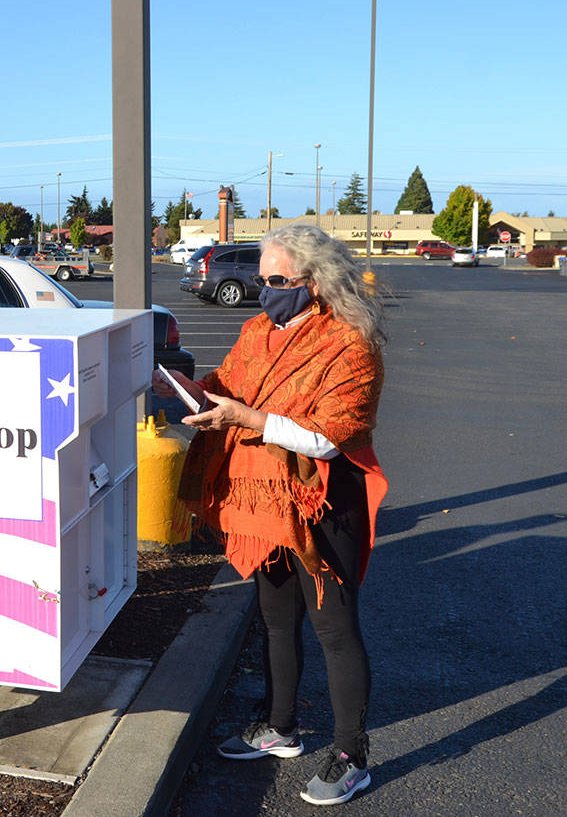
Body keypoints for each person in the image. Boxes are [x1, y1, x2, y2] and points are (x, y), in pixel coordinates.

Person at [154, 224, 388, 807]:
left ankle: (350, 755)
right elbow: (226, 385)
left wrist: (245, 418)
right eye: (263, 281)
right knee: (274, 618)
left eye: (277, 281)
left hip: (321, 503)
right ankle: (280, 726)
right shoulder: (258, 330)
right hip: (261, 501)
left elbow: (329, 439)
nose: (266, 292)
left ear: (316, 281)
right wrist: (191, 390)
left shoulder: (351, 344)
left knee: (334, 629)